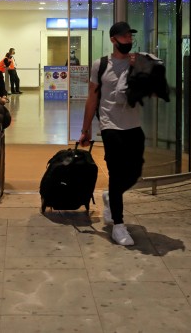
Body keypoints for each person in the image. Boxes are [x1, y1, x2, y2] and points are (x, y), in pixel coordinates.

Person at [78, 22, 143, 247]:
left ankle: (109, 196)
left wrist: (139, 69)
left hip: (133, 125)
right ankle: (118, 224)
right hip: (109, 125)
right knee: (117, 172)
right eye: (125, 37)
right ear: (114, 39)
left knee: (134, 172)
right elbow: (92, 98)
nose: (129, 40)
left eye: (131, 36)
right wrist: (85, 130)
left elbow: (150, 90)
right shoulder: (101, 64)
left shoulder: (141, 62)